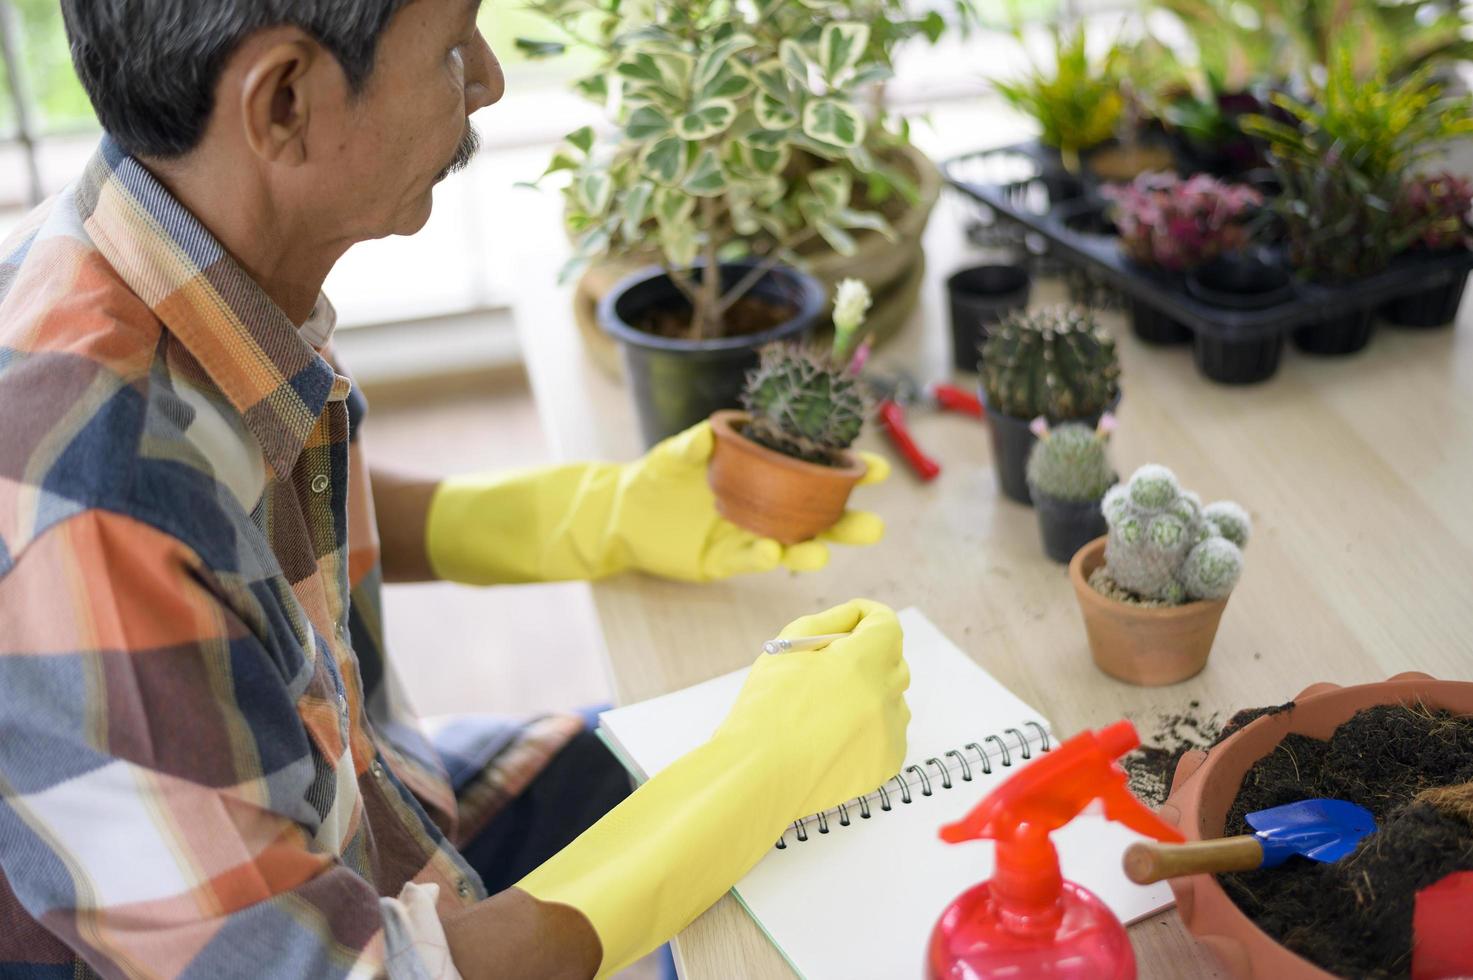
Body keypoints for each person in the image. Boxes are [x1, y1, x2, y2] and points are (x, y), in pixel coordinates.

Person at [0, 2, 911, 977]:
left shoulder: (156, 235)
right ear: (286, 100)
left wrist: (577, 518)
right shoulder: (99, 514)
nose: (488, 78)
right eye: (450, 48)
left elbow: (239, 522)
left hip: (373, 806)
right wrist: (760, 774)